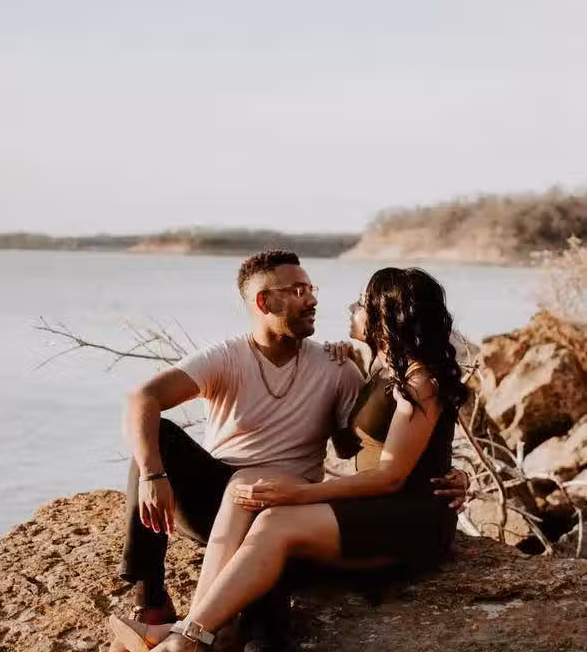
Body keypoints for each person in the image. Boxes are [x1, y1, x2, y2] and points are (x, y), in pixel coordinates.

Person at [113, 256, 468, 652]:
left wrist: (300, 494)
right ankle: (172, 616)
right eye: (300, 291)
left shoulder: (404, 378)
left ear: (386, 316)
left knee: (270, 522)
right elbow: (382, 445)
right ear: (264, 302)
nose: (322, 301)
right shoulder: (376, 369)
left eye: (360, 302)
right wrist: (153, 474)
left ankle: (191, 636)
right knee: (211, 470)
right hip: (247, 499)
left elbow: (387, 465)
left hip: (397, 512)